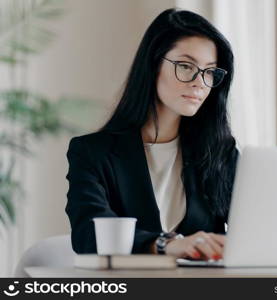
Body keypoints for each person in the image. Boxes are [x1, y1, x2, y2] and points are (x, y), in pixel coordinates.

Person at [65, 8, 239, 261]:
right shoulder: (93, 152)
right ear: (153, 64)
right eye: (186, 66)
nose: (200, 82)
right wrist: (164, 244)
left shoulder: (221, 152)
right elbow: (89, 233)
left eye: (210, 71)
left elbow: (254, 231)